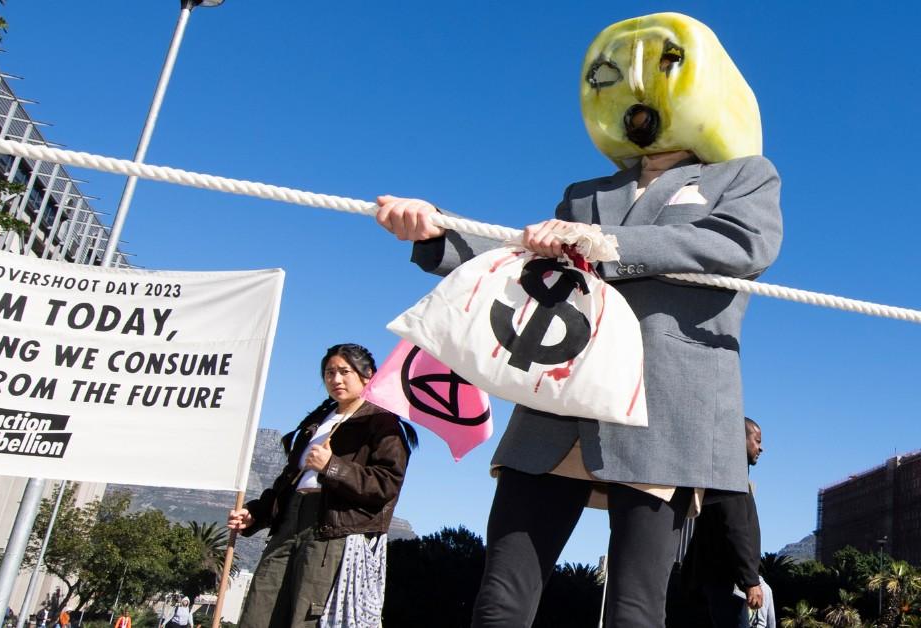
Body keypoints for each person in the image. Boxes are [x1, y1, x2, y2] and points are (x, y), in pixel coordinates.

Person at [376, 12, 782, 628]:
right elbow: (524, 263)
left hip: (664, 407)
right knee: (501, 596)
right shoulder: (585, 192)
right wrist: (437, 235)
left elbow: (742, 247)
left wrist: (611, 243)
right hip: (557, 403)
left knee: (635, 607)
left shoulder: (746, 177)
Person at [227, 343, 418, 628]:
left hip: (332, 530)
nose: (336, 380)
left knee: (306, 615)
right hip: (288, 523)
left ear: (368, 376)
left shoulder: (383, 423)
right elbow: (287, 480)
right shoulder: (316, 423)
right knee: (259, 610)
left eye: (345, 372)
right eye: (329, 373)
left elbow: (386, 484)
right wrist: (256, 512)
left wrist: (332, 467)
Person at [683, 418, 776, 628]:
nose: (761, 447)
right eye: (757, 440)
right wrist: (750, 582)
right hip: (724, 584)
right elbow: (735, 530)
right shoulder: (730, 480)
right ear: (738, 440)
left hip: (719, 583)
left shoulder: (724, 477)